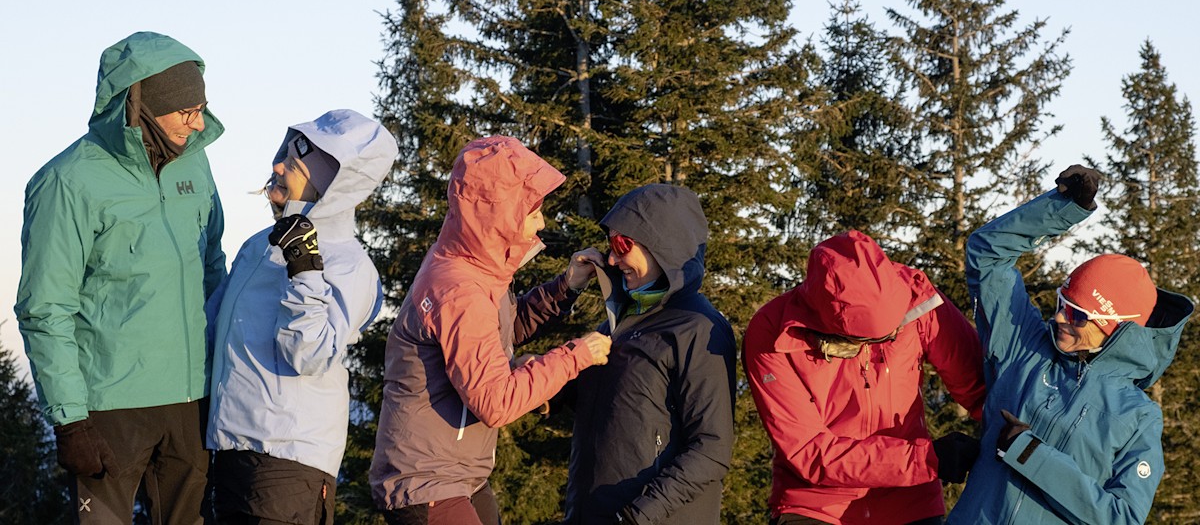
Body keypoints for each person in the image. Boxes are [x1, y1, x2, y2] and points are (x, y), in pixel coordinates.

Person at [15, 31, 226, 523]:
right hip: (109, 409)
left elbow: (213, 271)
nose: (197, 125)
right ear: (142, 104)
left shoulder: (195, 163)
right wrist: (69, 420)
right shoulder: (68, 181)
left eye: (201, 109)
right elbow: (45, 308)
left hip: (192, 402)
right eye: (185, 112)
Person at [370, 136, 612, 525]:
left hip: (460, 475)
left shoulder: (475, 267)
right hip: (427, 481)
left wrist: (565, 287)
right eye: (533, 210)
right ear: (501, 212)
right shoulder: (460, 289)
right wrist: (575, 357)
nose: (541, 222)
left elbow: (500, 333)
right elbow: (496, 401)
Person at [947, 165, 1194, 525]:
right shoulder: (1025, 348)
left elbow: (1123, 517)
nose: (1060, 318)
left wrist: (1032, 454)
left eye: (1078, 315)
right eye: (1063, 303)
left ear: (1116, 330)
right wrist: (1063, 208)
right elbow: (987, 254)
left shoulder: (1137, 415)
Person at [205, 109, 398, 524]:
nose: (276, 166)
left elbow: (308, 355)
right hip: (230, 450)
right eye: (283, 154)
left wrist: (306, 271)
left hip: (287, 464)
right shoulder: (260, 245)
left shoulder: (349, 265)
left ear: (334, 187)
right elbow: (213, 328)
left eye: (293, 164)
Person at [742, 230, 987, 525]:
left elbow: (980, 388)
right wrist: (925, 459)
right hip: (815, 507)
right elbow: (809, 450)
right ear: (834, 327)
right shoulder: (773, 333)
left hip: (911, 504)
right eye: (876, 338)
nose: (892, 338)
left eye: (894, 331)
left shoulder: (916, 299)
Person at [562, 183, 737, 525]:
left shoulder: (698, 328)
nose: (612, 258)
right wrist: (531, 378)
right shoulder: (617, 323)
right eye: (610, 245)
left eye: (622, 244)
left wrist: (637, 517)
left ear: (661, 245)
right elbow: (592, 401)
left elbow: (712, 448)